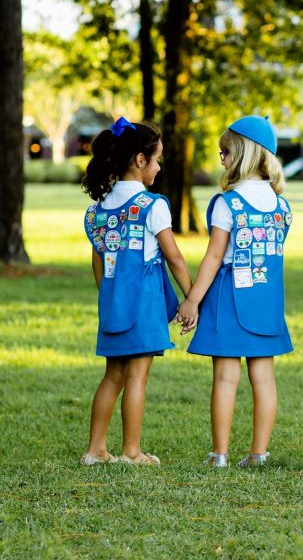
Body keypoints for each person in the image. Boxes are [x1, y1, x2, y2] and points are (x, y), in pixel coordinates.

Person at [178, 115, 291, 468]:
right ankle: (259, 453)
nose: (221, 158)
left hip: (228, 297)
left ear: (242, 154)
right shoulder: (282, 206)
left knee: (226, 378)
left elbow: (214, 257)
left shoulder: (227, 204)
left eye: (225, 151)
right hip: (267, 301)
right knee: (264, 379)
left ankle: (220, 454)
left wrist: (193, 299)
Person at [81, 117, 192, 466]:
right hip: (143, 304)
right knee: (137, 376)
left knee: (112, 376)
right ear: (140, 161)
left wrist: (110, 297)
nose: (159, 167)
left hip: (113, 303)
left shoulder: (97, 211)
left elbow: (98, 264)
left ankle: (95, 450)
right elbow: (173, 256)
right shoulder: (152, 206)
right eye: (157, 159)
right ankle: (131, 451)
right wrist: (192, 297)